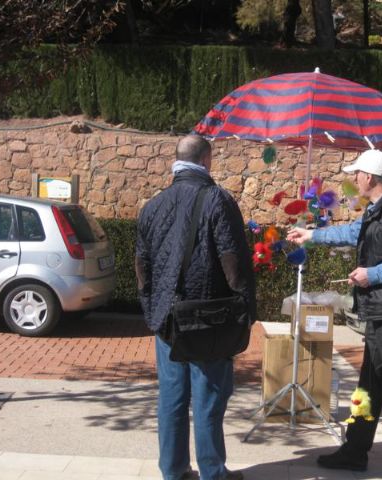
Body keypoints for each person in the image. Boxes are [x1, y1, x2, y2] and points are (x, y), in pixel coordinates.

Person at [287, 149, 382, 480]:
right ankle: (355, 451)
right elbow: (350, 233)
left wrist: (371, 274)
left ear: (369, 177)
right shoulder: (377, 210)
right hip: (380, 312)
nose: (353, 179)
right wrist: (311, 235)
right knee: (368, 387)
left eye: (356, 174)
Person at [135, 135, 256, 480]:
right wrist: (245, 308)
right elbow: (233, 260)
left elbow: (141, 264)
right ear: (206, 160)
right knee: (208, 399)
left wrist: (151, 308)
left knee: (171, 399)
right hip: (209, 318)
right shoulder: (219, 200)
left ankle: (173, 471)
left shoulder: (153, 205)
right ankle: (212, 472)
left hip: (167, 320)